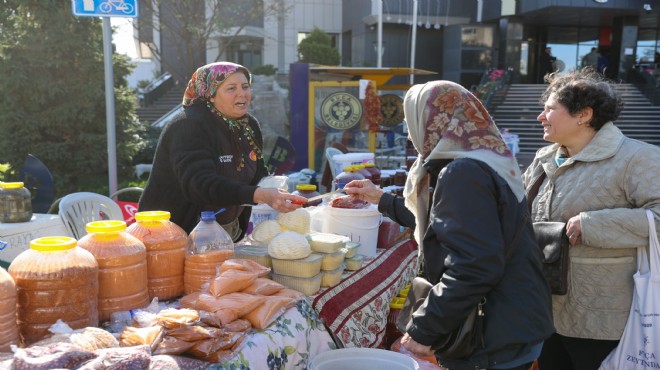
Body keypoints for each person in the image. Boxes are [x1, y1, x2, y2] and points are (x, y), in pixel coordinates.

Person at [344, 80, 553, 370]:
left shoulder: (462, 173)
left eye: (412, 120)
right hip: (510, 319)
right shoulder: (482, 158)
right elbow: (443, 223)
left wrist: (425, 328)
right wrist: (381, 199)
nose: (409, 131)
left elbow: (475, 265)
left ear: (433, 121)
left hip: (492, 333)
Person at [524, 69, 660, 370]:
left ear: (583, 114)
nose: (541, 117)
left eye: (549, 109)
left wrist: (593, 225)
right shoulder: (543, 157)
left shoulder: (638, 158)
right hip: (545, 311)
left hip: (605, 318)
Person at [138, 62, 307, 239]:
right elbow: (200, 185)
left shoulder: (248, 125)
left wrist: (277, 191)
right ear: (211, 94)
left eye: (245, 86)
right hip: (173, 234)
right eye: (231, 88)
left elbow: (256, 173)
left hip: (225, 230)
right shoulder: (188, 125)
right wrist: (259, 195)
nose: (242, 93)